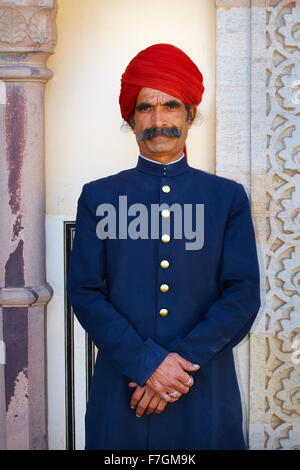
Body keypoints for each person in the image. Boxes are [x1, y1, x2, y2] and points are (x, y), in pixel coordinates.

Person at [66, 43, 261, 450]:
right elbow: (85, 291)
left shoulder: (226, 198)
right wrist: (146, 364)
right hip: (124, 387)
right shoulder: (98, 196)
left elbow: (242, 295)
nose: (158, 120)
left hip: (203, 386)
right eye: (145, 108)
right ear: (131, 119)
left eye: (171, 106)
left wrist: (174, 369)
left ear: (190, 115)